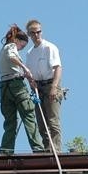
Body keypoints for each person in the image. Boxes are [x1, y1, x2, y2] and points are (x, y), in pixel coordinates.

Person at [0, 24, 44, 154]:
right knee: (28, 115)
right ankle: (38, 149)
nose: (21, 49)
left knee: (10, 122)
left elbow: (10, 68)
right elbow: (12, 56)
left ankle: (6, 150)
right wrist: (25, 68)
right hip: (16, 86)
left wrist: (27, 77)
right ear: (16, 40)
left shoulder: (1, 51)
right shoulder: (11, 46)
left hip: (4, 88)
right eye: (22, 46)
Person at [25, 19, 64, 153]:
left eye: (38, 32)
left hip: (50, 84)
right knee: (41, 122)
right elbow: (29, 74)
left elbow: (58, 68)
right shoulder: (30, 53)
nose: (36, 35)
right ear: (29, 34)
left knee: (53, 120)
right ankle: (48, 148)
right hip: (38, 88)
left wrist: (54, 87)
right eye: (33, 33)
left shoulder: (49, 47)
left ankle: (56, 150)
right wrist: (31, 83)